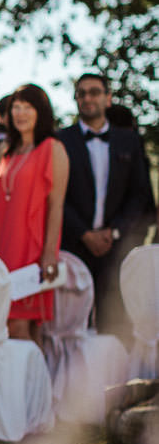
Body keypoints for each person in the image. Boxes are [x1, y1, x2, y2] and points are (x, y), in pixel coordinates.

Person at [57, 73, 154, 336]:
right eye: (82, 93)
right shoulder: (60, 141)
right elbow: (56, 196)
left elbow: (139, 194)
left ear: (108, 98)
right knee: (74, 325)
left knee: (117, 321)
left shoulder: (129, 141)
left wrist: (114, 232)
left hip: (116, 246)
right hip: (74, 246)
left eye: (94, 92)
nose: (88, 98)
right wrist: (84, 234)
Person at [0, 84, 69, 343]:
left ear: (40, 112)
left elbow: (57, 204)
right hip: (4, 248)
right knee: (8, 327)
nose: (20, 113)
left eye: (27, 107)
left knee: (21, 328)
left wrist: (49, 253)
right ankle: (25, 383)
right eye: (16, 107)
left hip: (31, 249)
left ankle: (28, 384)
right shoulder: (7, 152)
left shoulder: (52, 148)